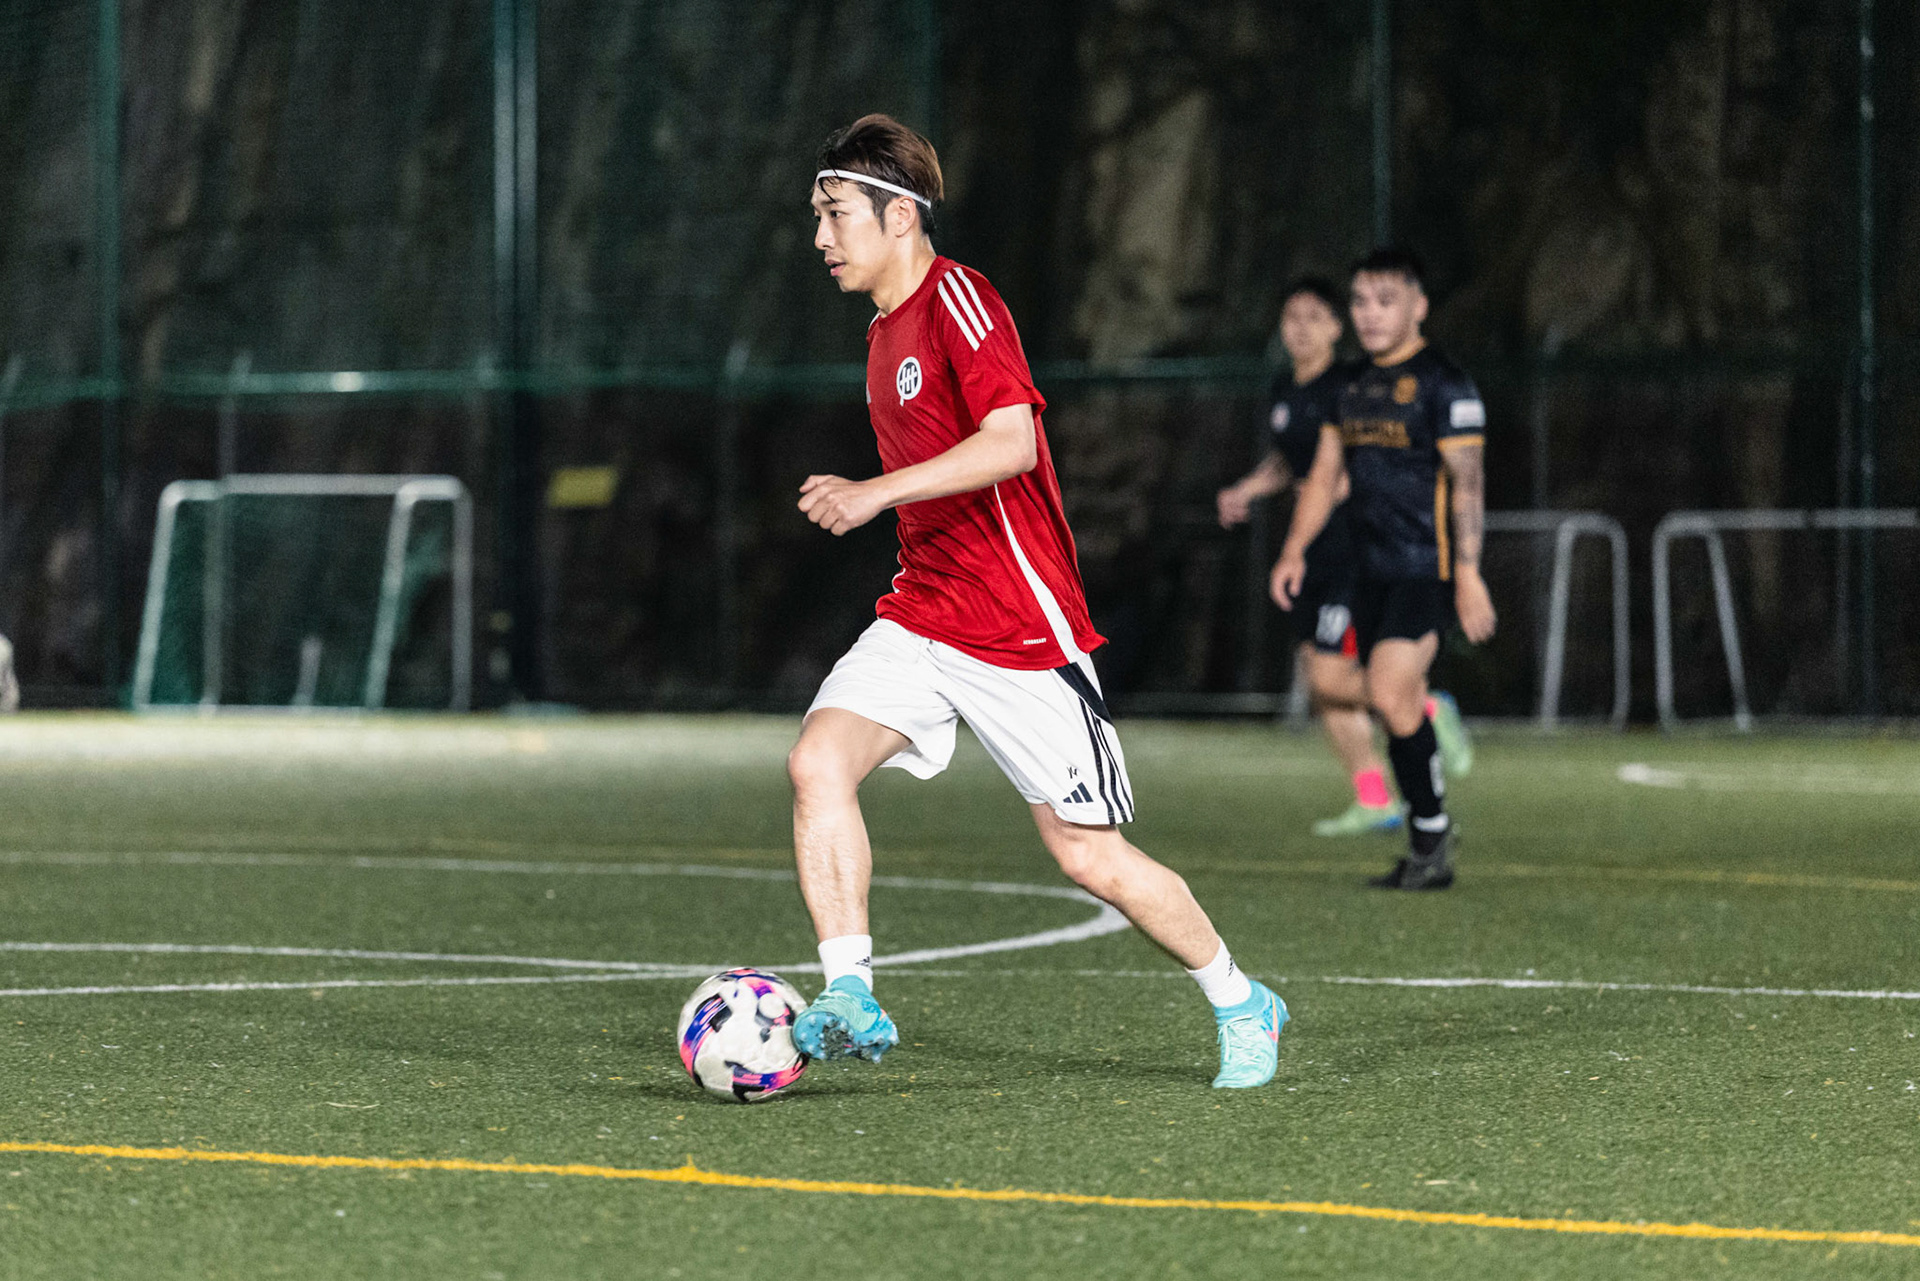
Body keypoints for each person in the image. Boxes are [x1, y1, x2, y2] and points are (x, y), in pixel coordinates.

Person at [788, 114, 1284, 1088]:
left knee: (1089, 857)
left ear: (900, 217)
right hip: (922, 613)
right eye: (818, 216)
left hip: (1019, 628)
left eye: (836, 214)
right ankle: (850, 991)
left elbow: (1012, 442)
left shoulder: (959, 300)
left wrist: (874, 492)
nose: (820, 238)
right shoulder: (883, 333)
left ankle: (1240, 997)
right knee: (816, 762)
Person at [1273, 248, 1496, 890]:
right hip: (1362, 569)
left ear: (1418, 307)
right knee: (1355, 689)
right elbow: (1323, 478)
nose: (1370, 315)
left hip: (1425, 568)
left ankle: (1430, 839)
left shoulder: (1444, 384)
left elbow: (1468, 486)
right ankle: (1429, 832)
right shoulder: (1347, 388)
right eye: (1361, 302)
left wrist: (1470, 573)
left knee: (1393, 692)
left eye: (1386, 301)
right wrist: (1294, 549)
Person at [1218, 279, 1475, 837]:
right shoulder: (1286, 389)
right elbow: (1288, 461)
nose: (1300, 328)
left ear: (1337, 328)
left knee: (1331, 677)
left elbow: (1356, 465)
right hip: (1311, 551)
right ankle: (1374, 798)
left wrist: (1328, 494)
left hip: (1350, 551)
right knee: (1321, 682)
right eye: (1292, 317)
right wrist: (1248, 489)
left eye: (1314, 317)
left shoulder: (1350, 388)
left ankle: (1427, 708)